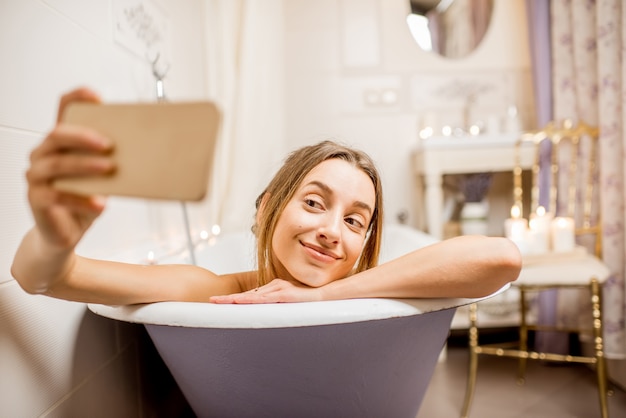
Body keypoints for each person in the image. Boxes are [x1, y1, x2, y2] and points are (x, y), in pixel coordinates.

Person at [11, 88, 522, 305]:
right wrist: (56, 240)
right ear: (266, 208)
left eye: (355, 221)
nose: (330, 229)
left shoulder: (380, 285)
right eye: (315, 203)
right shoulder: (217, 291)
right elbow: (43, 278)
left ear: (367, 242)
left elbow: (501, 257)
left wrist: (323, 296)